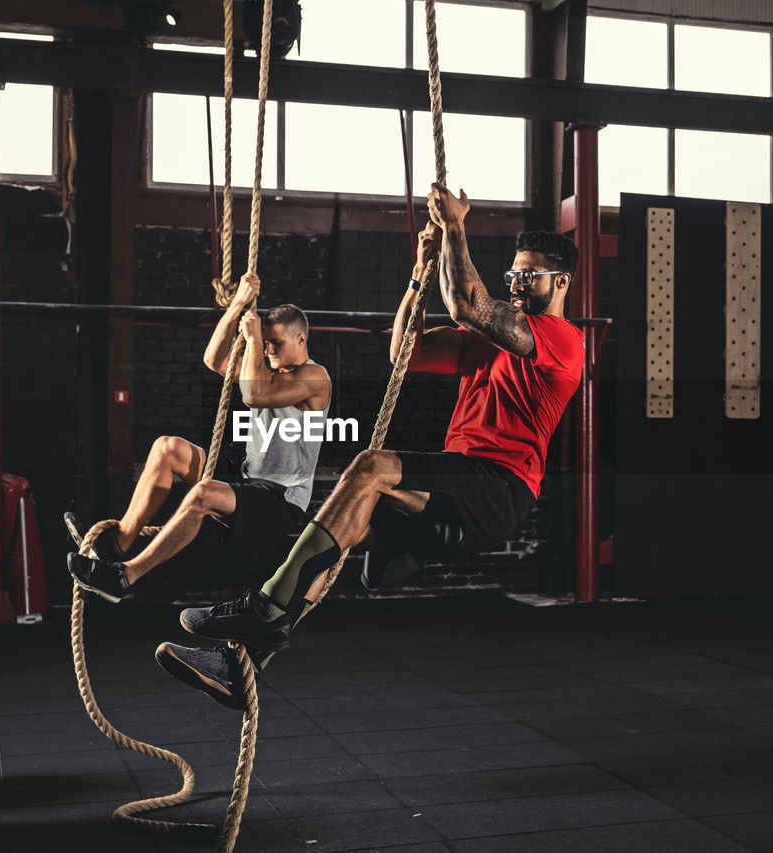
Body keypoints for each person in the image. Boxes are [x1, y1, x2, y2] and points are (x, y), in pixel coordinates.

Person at [155, 184, 585, 709]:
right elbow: (405, 352)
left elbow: (470, 303)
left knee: (370, 467)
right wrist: (417, 276)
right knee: (347, 522)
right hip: (459, 484)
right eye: (513, 274)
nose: (516, 283)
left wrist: (454, 228)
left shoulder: (562, 340)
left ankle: (264, 607)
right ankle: (240, 664)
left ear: (559, 282)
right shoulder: (488, 341)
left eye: (528, 275)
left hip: (498, 486)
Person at [66, 271, 331, 602]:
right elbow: (214, 360)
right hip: (248, 477)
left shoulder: (314, 376)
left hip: (280, 501)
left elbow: (252, 394)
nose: (270, 349)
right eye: (268, 342)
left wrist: (253, 339)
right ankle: (115, 547)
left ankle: (126, 578)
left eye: (276, 342)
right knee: (167, 448)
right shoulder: (264, 370)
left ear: (301, 339)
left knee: (204, 493)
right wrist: (235, 306)